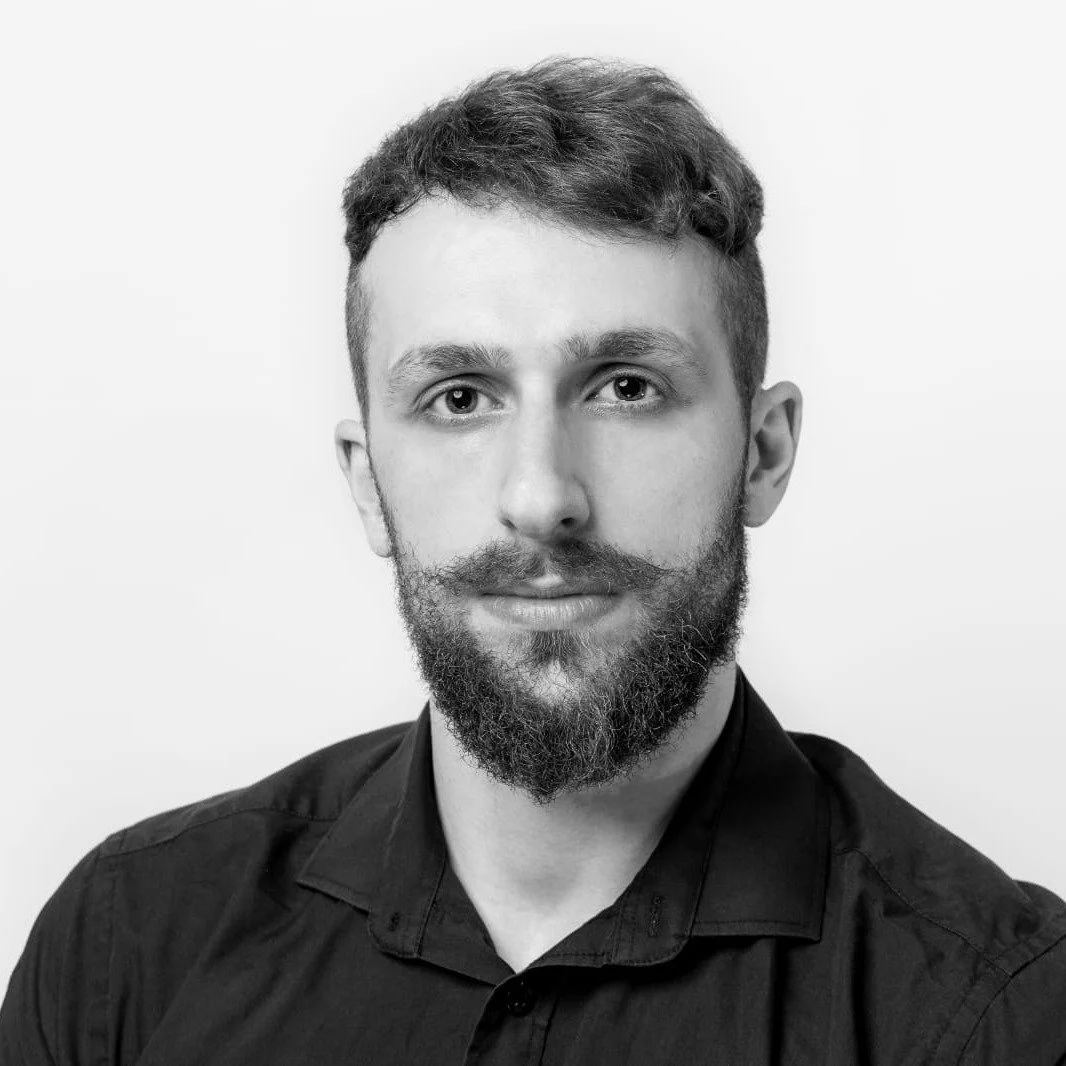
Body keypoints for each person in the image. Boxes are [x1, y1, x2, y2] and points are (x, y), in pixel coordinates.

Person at [2, 57, 1064, 1065]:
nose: (542, 495)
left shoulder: (998, 1012)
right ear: (367, 479)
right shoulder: (129, 950)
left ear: (764, 451)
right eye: (459, 398)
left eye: (626, 386)